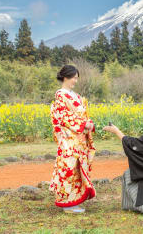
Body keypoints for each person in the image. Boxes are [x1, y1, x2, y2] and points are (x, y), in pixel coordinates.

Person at [49, 65, 96, 214]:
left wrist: (88, 123)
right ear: (65, 77)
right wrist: (83, 124)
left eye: (76, 77)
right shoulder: (61, 95)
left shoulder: (74, 95)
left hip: (79, 138)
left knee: (76, 169)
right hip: (69, 139)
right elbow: (63, 117)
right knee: (68, 168)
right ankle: (67, 203)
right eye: (73, 77)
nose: (75, 80)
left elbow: (81, 114)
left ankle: (74, 201)